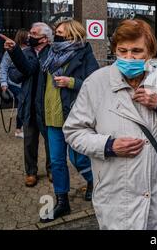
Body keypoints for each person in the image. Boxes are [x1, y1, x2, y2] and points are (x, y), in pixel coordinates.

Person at [63, 19, 157, 229]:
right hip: (117, 199)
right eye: (122, 51)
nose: (128, 57)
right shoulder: (96, 83)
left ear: (150, 53)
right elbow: (73, 131)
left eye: (136, 51)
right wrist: (108, 145)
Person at [39, 19, 99, 223]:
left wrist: (71, 82)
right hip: (51, 117)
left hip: (73, 117)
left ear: (72, 34)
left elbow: (94, 84)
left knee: (79, 159)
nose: (57, 34)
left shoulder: (84, 53)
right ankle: (62, 202)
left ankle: (96, 183)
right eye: (56, 31)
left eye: (60, 32)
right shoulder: (50, 53)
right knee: (56, 162)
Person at [0, 23, 53, 187]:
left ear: (44, 38)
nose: (29, 36)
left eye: (34, 33)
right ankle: (31, 172)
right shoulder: (25, 53)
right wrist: (17, 57)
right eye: (30, 32)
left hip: (46, 105)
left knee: (50, 141)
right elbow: (14, 75)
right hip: (28, 104)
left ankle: (52, 170)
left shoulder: (52, 53)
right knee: (29, 141)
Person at [0, 29, 28, 138]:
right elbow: (3, 67)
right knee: (22, 103)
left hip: (26, 84)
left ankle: (24, 128)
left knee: (25, 104)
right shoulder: (10, 51)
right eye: (28, 36)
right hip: (14, 84)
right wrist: (3, 83)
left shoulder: (31, 50)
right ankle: (18, 130)